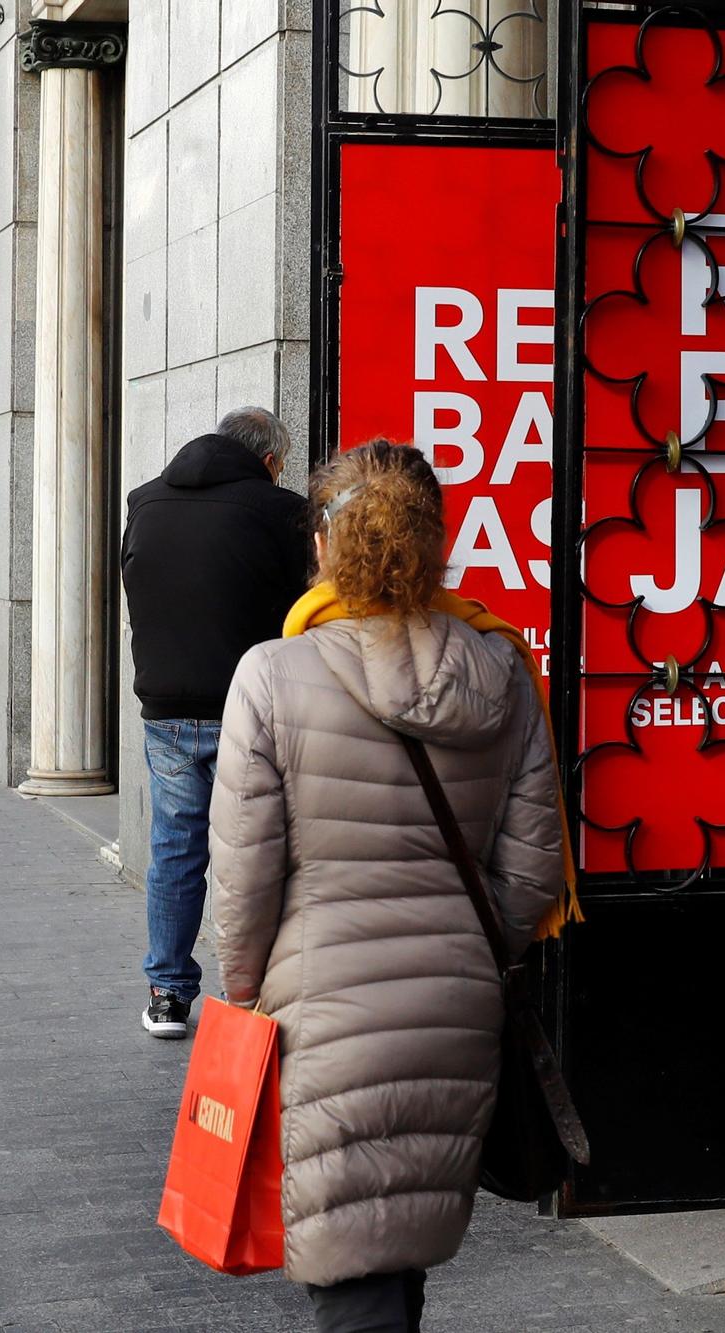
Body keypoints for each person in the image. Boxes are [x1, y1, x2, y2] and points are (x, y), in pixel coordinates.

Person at [208, 440, 565, 1331]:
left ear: (326, 549)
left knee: (354, 1269)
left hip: (320, 1006)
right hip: (455, 1002)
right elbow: (532, 872)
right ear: (433, 543)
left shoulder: (271, 675)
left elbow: (243, 878)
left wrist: (244, 992)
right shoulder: (502, 670)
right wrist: (472, 952)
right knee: (394, 1248)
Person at [119, 407, 309, 1039]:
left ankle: (168, 994)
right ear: (271, 460)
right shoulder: (281, 511)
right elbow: (302, 610)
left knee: (175, 848)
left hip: (167, 710)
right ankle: (248, 993)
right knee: (252, 851)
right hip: (249, 708)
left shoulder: (144, 502)